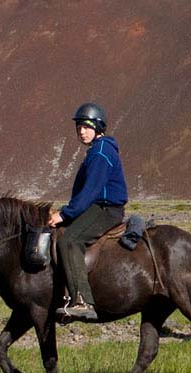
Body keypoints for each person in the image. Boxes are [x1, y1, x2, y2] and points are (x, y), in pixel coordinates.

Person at [47, 102, 128, 322]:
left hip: (105, 209)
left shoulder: (101, 152)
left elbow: (91, 191)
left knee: (70, 241)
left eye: (86, 126)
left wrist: (65, 214)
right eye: (78, 128)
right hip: (98, 207)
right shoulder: (97, 150)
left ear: (98, 127)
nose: (81, 131)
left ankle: (82, 301)